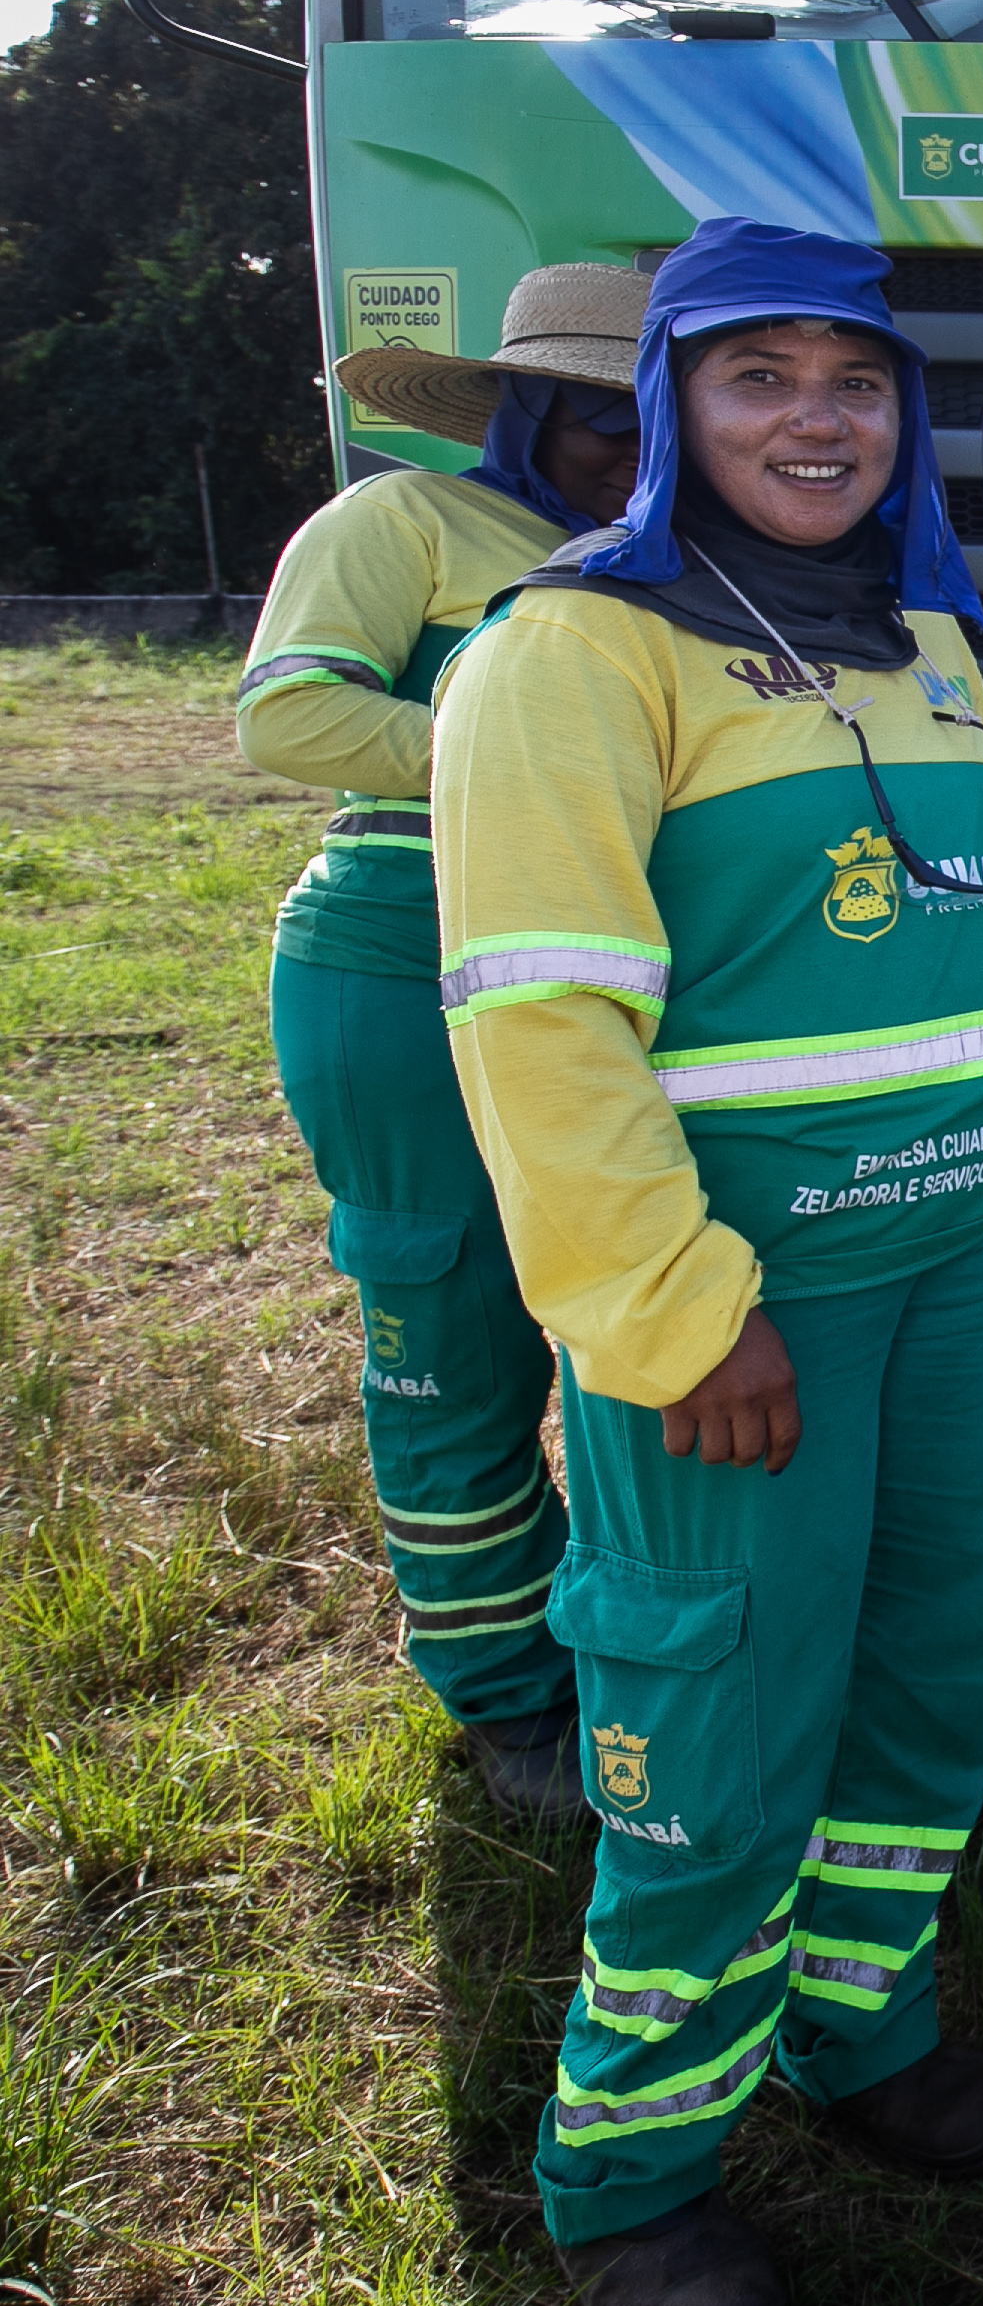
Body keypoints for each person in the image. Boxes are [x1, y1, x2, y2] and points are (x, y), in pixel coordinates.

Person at [433, 220, 983, 2306]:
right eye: (755, 377)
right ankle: (633, 2174)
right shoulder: (571, 653)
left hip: (954, 1272)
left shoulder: (920, 644)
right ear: (668, 403)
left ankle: (861, 2023)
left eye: (853, 380)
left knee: (936, 1670)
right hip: (744, 1314)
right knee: (720, 1736)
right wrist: (675, 1312)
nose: (815, 420)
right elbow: (539, 1025)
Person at [246, 263, 650, 1821]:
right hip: (398, 972)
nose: (627, 450)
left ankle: (629, 1651)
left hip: (604, 980)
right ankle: (506, 1692)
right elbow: (287, 714)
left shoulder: (665, 560)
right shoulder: (402, 522)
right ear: (521, 408)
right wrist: (519, 752)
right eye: (596, 418)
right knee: (452, 1340)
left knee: (629, 1327)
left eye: (651, 418)